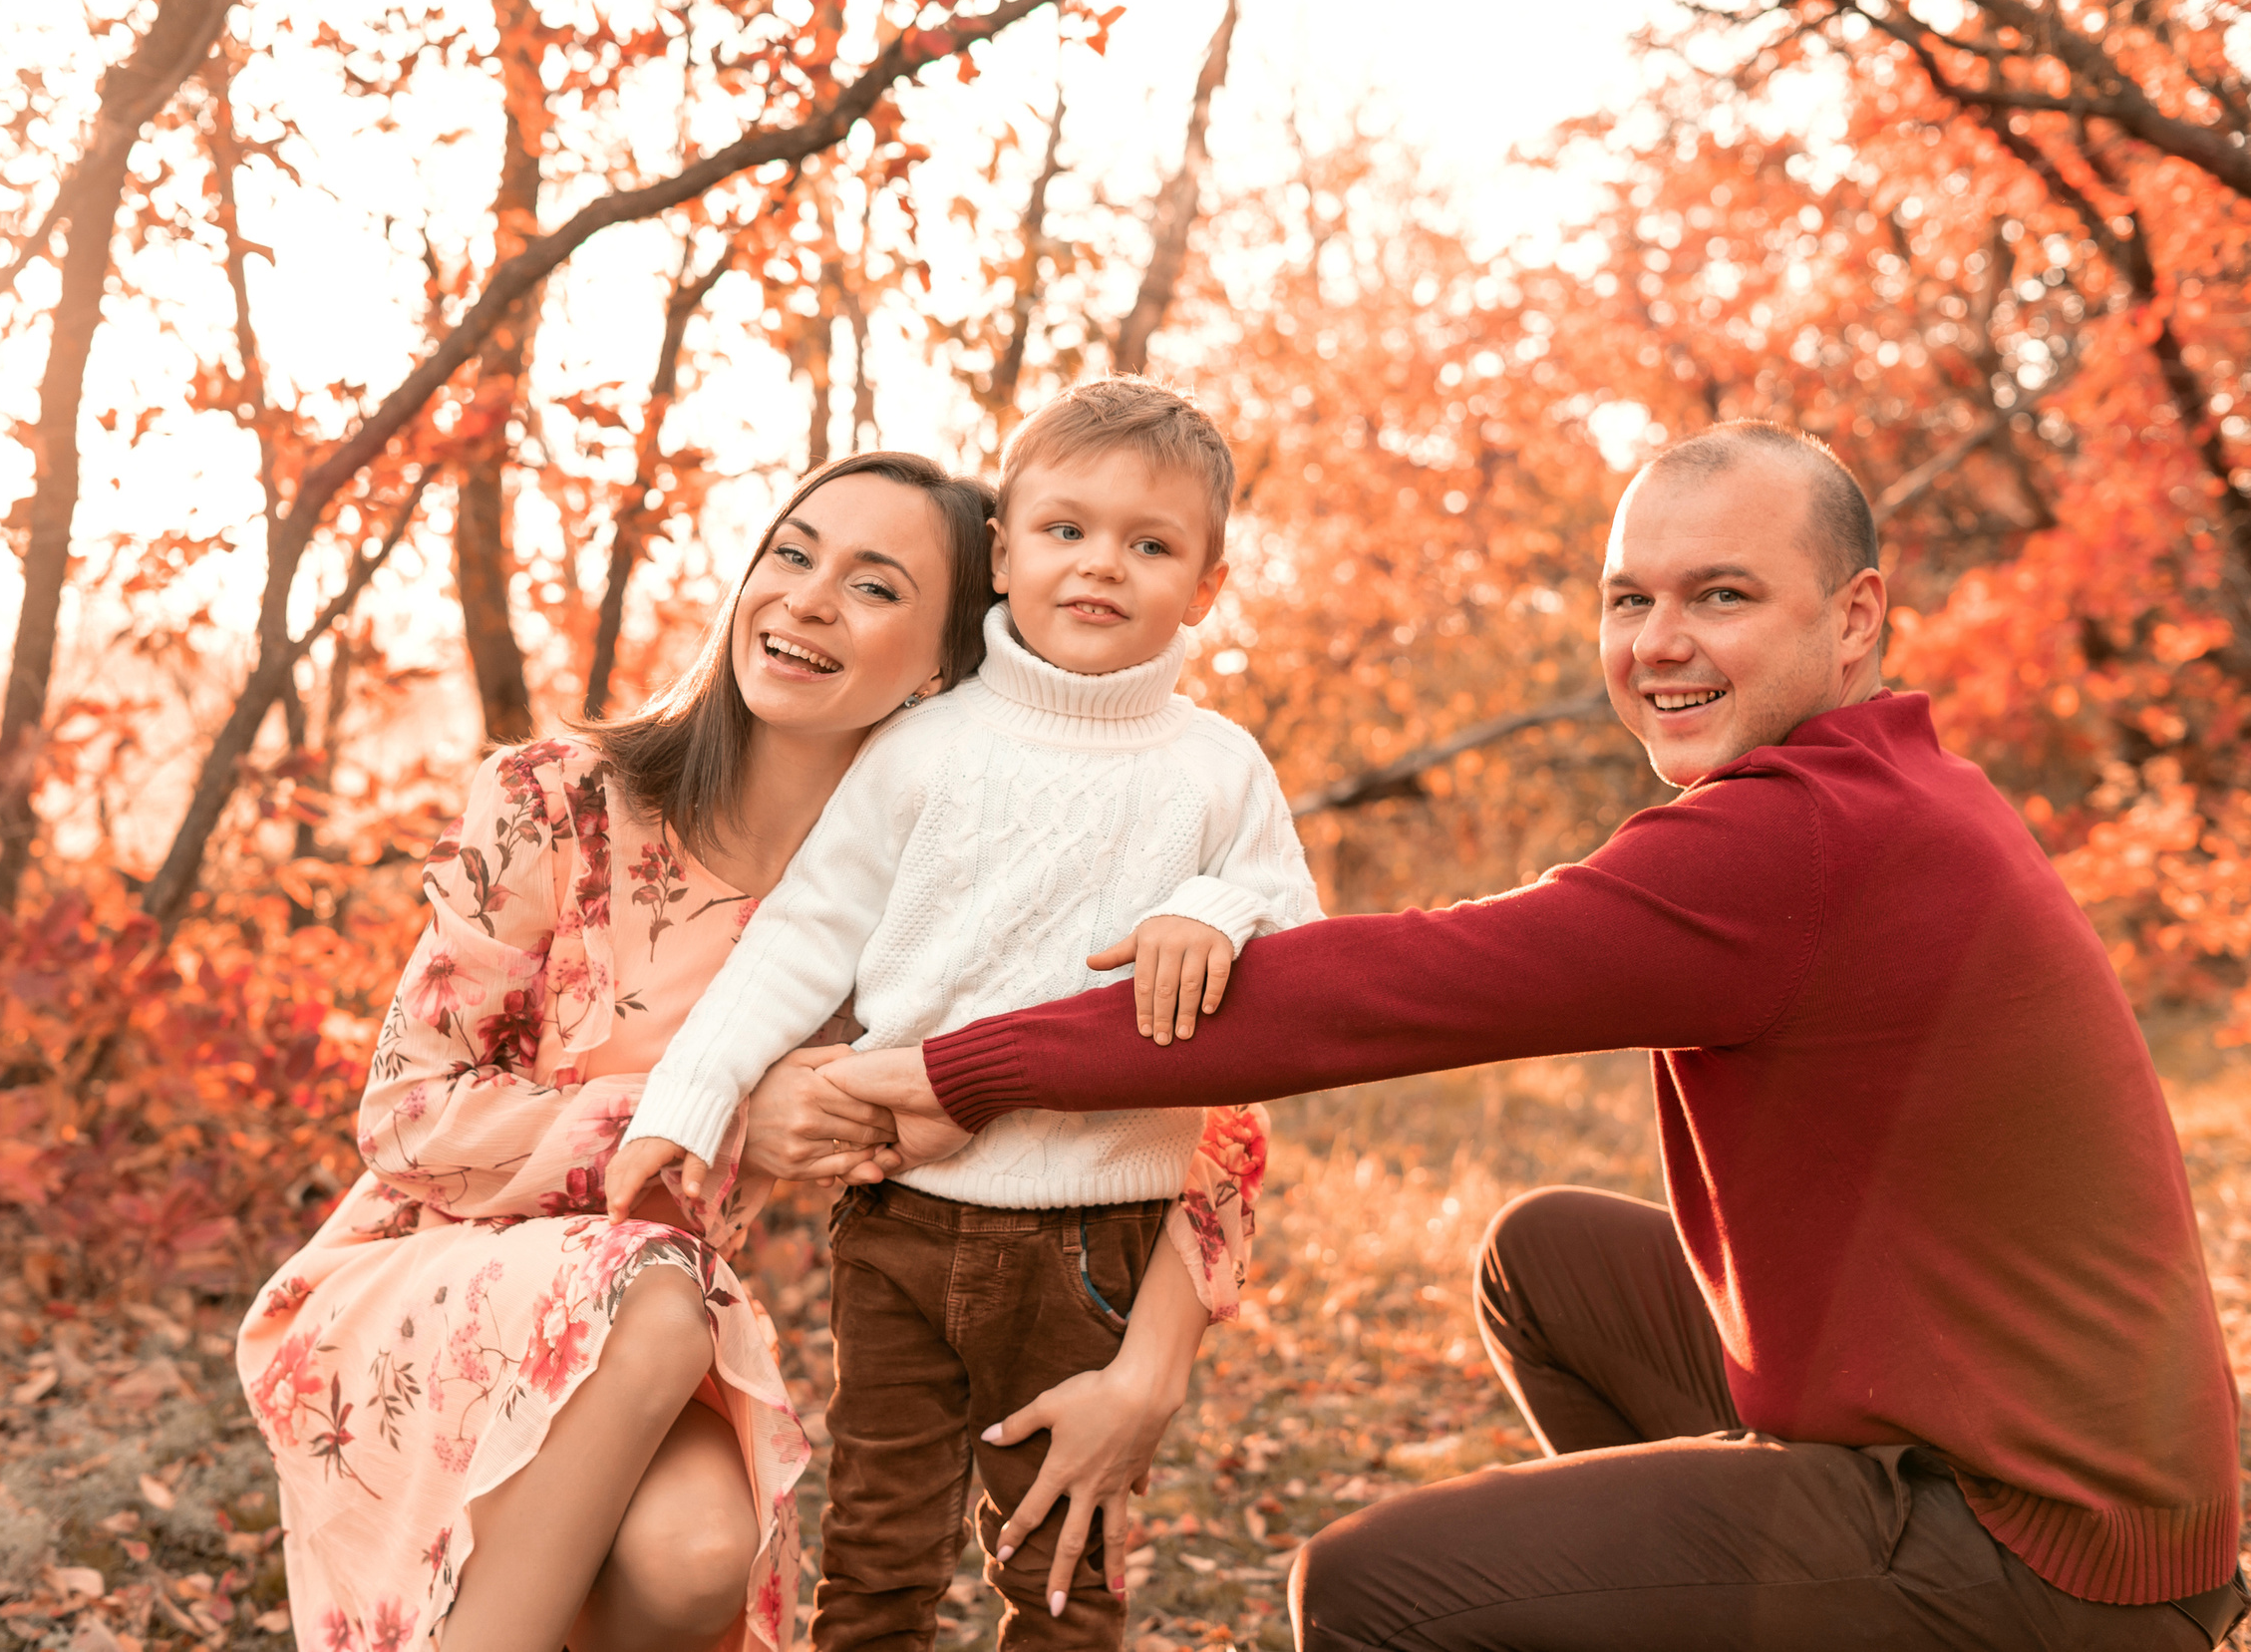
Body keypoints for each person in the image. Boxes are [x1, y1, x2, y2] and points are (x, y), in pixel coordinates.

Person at [822, 420, 2247, 1650]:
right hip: (2022, 1451)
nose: (1660, 643)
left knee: (1379, 1587)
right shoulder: (1887, 784)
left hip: (2051, 1547)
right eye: (1630, 598)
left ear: (1857, 615)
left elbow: (1400, 987)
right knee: (1547, 1260)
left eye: (1723, 594)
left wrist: (962, 1066)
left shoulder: (1807, 838)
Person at [236, 452, 1005, 1652]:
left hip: (648, 1312)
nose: (805, 598)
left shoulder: (911, 906)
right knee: (657, 1298)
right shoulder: (553, 798)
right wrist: (724, 1110)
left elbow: (1179, 1090)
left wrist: (1147, 1362)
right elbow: (407, 1119)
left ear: (947, 666)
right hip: (426, 1277)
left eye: (874, 586)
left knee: (700, 1556)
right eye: (792, 553)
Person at [605, 378, 1318, 1648]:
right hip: (901, 1225)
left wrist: (1213, 911)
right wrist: (687, 1097)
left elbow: (1299, 949)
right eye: (1065, 530)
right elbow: (799, 941)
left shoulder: (1216, 768)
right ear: (1005, 549)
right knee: (877, 1546)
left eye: (1149, 545)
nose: (1101, 565)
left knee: (1061, 1561)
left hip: (1098, 1234)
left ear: (1205, 584)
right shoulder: (924, 748)